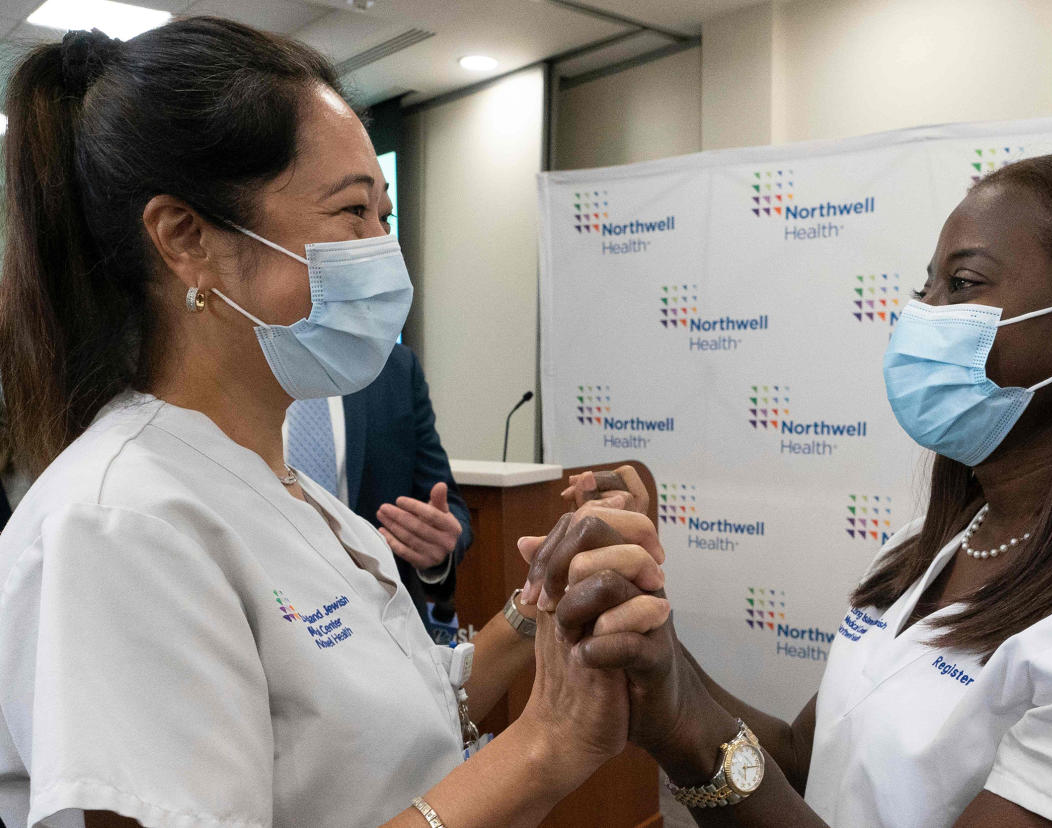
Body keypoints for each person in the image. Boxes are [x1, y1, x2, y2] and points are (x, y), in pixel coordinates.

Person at [0, 19, 666, 828]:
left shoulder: (273, 480)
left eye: (384, 214)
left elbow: (379, 723)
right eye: (352, 211)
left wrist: (536, 609)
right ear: (186, 239)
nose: (383, 252)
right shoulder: (120, 527)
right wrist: (544, 750)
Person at [528, 152, 1052, 827]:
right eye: (925, 286)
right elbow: (812, 764)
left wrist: (692, 735)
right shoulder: (942, 541)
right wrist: (656, 649)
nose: (920, 316)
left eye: (961, 285)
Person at [284, 342, 473, 633]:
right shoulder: (216, 364)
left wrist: (436, 549)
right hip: (269, 619)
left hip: (386, 626)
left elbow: (445, 503)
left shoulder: (391, 365)